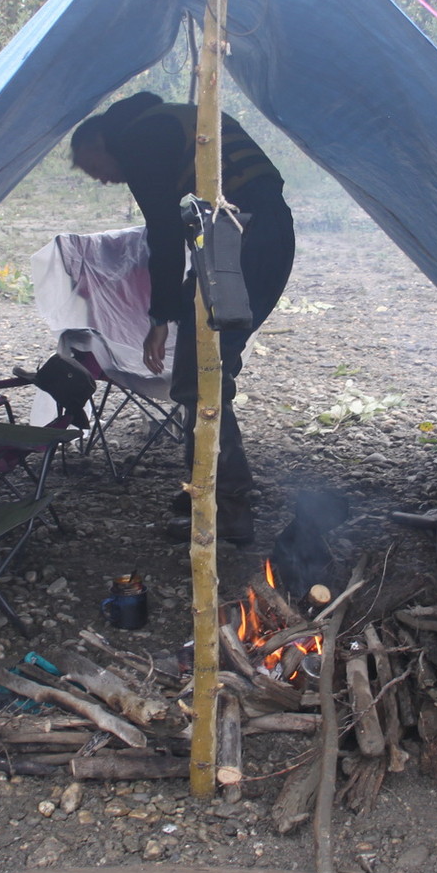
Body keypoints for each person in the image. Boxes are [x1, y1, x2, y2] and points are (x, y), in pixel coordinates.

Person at [70, 90, 295, 543]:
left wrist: (160, 316)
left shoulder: (139, 137)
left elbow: (164, 232)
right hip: (258, 232)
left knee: (201, 376)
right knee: (205, 368)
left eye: (92, 166)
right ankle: (206, 489)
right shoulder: (163, 120)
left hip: (242, 238)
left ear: (100, 143)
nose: (101, 179)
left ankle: (224, 507)